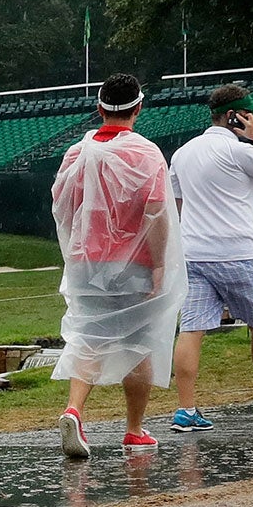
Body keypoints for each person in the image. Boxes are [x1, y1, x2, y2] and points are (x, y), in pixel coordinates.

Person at [50, 73, 182, 459]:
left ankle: (74, 410)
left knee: (90, 337)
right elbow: (156, 212)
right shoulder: (145, 154)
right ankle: (134, 429)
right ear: (138, 108)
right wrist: (159, 264)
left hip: (86, 261)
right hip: (133, 263)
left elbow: (64, 205)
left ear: (99, 107)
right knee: (140, 342)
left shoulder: (77, 152)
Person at [167, 83, 253, 431]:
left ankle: (186, 409)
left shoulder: (183, 153)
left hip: (195, 252)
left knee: (191, 329)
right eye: (250, 114)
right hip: (239, 252)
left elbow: (177, 204)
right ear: (236, 116)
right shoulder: (242, 152)